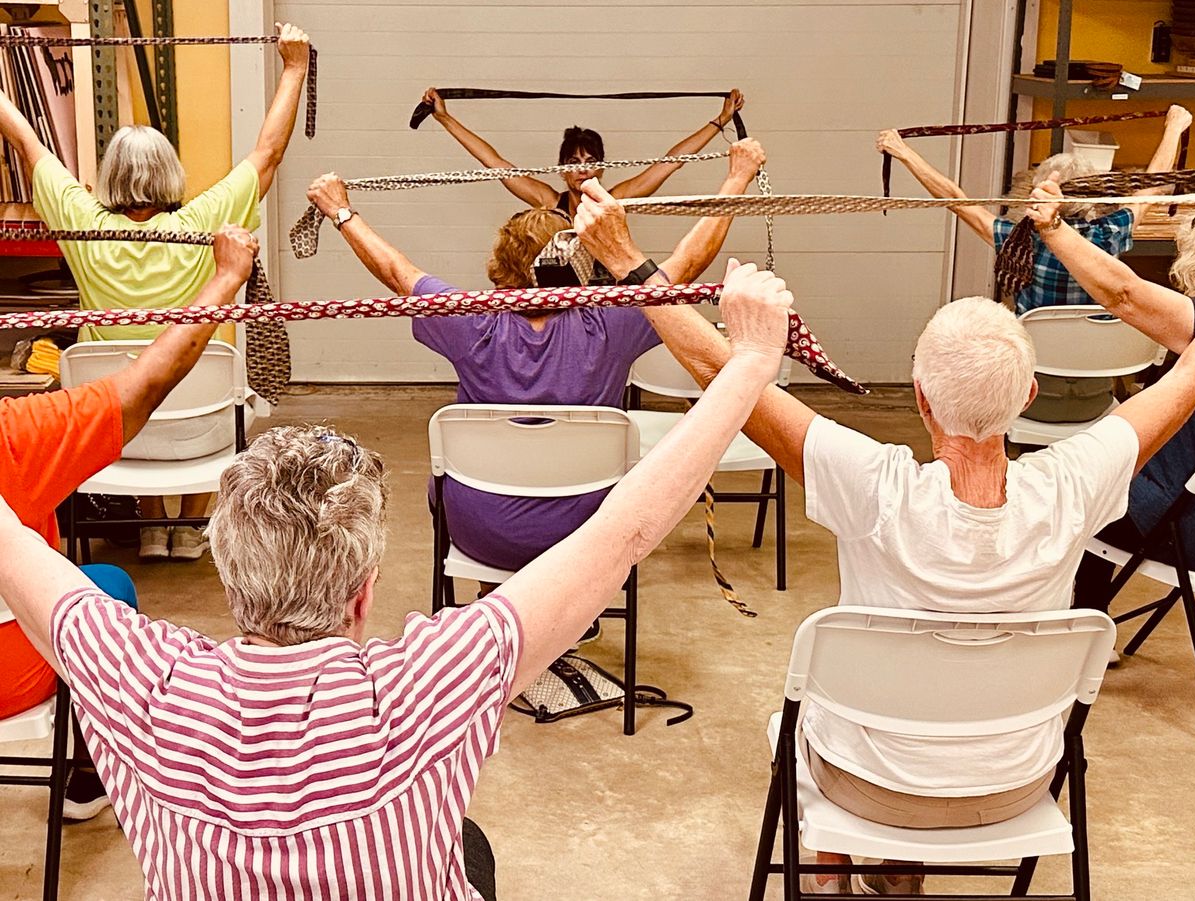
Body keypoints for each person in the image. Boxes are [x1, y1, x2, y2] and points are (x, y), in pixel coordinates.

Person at [0, 259, 794, 900]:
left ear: (228, 569)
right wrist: (753, 360)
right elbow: (625, 530)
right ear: (366, 586)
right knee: (466, 846)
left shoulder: (136, 676)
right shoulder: (428, 682)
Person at [574, 178, 1195, 895]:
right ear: (1028, 396)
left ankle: (833, 872)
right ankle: (896, 870)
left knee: (799, 716)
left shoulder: (872, 485)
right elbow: (1188, 377)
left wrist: (626, 259)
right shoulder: (1078, 480)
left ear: (920, 394)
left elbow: (722, 372)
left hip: (868, 789)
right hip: (1017, 787)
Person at [306, 139, 766, 596]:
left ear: (501, 263)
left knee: (451, 488)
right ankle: (566, 613)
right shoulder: (613, 324)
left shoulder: (472, 322)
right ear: (578, 260)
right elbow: (687, 262)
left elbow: (395, 271)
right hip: (585, 537)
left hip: (480, 532)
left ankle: (497, 604)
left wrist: (340, 211)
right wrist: (738, 175)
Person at [0, 22, 311, 562]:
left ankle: (150, 527)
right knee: (186, 363)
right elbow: (268, 154)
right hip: (202, 431)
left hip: (117, 438)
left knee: (136, 379)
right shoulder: (204, 220)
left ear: (108, 176)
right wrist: (295, 67)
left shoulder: (83, 224)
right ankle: (189, 529)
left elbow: (25, 141)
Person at [0, 225, 260, 822]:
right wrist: (226, 276)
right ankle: (88, 777)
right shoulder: (16, 435)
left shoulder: (76, 213)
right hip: (16, 674)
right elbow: (142, 386)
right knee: (107, 589)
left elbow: (31, 149)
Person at [878, 108, 1192, 426]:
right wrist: (1174, 129)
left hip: (1028, 401)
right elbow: (1150, 188)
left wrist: (904, 153)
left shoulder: (1017, 242)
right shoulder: (1110, 233)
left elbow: (954, 197)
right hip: (1094, 403)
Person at [1026, 176, 1195, 610]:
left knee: (1062, 501)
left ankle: (1075, 626)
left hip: (1180, 526)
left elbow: (1124, 294)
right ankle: (1085, 618)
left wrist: (1052, 227)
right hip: (1181, 510)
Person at [421, 86, 745, 216]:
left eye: (590, 162)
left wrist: (720, 121)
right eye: (574, 162)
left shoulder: (615, 199)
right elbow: (493, 162)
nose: (583, 169)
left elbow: (671, 162)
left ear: (601, 168)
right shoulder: (550, 201)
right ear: (562, 169)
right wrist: (445, 119)